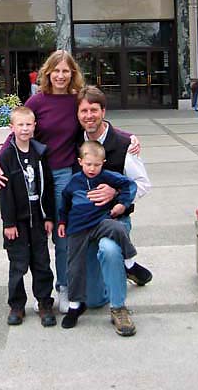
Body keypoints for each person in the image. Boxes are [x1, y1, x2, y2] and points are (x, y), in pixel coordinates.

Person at [0, 49, 141, 314]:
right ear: (47, 73)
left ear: (72, 74)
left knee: (63, 234)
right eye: (56, 71)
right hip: (37, 173)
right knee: (36, 232)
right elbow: (18, 130)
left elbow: (94, 121)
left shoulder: (75, 100)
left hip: (65, 175)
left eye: (66, 71)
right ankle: (39, 293)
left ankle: (64, 285)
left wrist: (129, 137)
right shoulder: (37, 101)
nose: (60, 76)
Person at [58, 141, 137, 335]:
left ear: (103, 163)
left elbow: (130, 184)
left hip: (100, 222)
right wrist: (62, 222)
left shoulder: (107, 176)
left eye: (97, 165)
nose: (92, 169)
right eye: (88, 164)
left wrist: (122, 203)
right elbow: (64, 203)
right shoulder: (74, 181)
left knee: (117, 228)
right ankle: (75, 305)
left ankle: (130, 263)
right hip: (78, 229)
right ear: (80, 162)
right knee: (74, 265)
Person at [76, 85, 153, 286]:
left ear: (103, 111)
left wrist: (117, 194)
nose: (89, 116)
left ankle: (123, 266)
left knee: (108, 251)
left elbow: (142, 184)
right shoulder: (74, 142)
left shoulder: (125, 144)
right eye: (84, 111)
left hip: (116, 219)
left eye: (94, 110)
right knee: (91, 293)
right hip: (85, 220)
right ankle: (128, 265)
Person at [0, 106, 56, 327]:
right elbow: (5, 192)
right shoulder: (7, 156)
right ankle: (17, 305)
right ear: (11, 128)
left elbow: (48, 186)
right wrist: (9, 222)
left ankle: (44, 303)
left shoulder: (40, 153)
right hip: (17, 222)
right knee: (18, 264)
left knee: (41, 263)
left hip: (38, 219)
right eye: (20, 125)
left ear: (34, 126)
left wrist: (49, 216)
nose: (24, 128)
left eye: (28, 124)